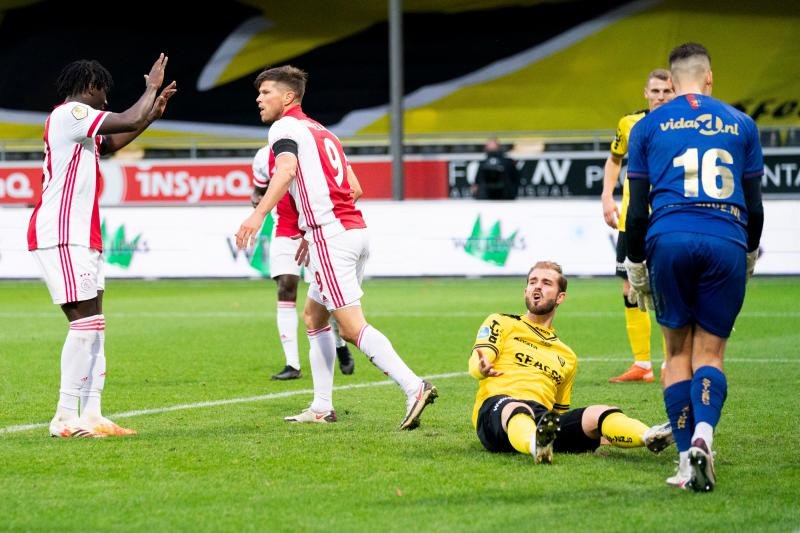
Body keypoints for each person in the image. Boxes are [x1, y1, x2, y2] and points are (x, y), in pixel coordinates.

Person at [236, 65, 437, 429]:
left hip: (332, 238)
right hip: (352, 232)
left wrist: (258, 215)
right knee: (314, 317)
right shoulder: (323, 132)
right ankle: (321, 407)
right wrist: (310, 231)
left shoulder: (283, 128)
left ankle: (414, 386)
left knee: (350, 328)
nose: (259, 99)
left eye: (266, 92)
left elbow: (285, 170)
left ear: (288, 96)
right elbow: (355, 189)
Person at [624, 43, 764, 491]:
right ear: (709, 78)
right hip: (726, 237)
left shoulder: (648, 126)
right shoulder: (741, 123)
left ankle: (686, 460)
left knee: (676, 355)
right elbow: (755, 207)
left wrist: (634, 261)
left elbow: (637, 211)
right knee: (711, 354)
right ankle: (705, 435)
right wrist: (749, 253)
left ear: (671, 79)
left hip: (669, 237)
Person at [27, 55, 177, 438]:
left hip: (84, 235)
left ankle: (91, 414)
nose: (106, 99)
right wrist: (150, 88)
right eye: (104, 91)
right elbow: (126, 117)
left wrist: (150, 117)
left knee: (96, 326)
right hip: (62, 232)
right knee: (85, 324)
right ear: (90, 85)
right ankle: (64, 416)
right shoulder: (71, 113)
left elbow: (111, 142)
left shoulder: (82, 129)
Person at [469, 261, 674, 463]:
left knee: (598, 413)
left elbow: (559, 413)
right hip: (496, 409)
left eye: (546, 283)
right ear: (525, 291)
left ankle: (649, 436)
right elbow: (481, 356)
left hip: (541, 419)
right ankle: (535, 444)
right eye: (533, 282)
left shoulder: (567, 356)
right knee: (517, 408)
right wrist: (481, 367)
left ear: (560, 297)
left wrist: (594, 434)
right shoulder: (502, 322)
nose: (537, 286)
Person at [251, 145, 357, 380]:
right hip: (284, 230)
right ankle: (292, 365)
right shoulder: (263, 156)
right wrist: (257, 202)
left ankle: (339, 344)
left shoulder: (313, 147)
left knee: (325, 297)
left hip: (315, 232)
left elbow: (351, 190)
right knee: (285, 287)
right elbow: (258, 191)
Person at [601, 69, 674, 384]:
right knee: (630, 287)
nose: (660, 97)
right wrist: (607, 196)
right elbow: (614, 158)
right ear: (646, 93)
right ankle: (642, 364)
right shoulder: (629, 123)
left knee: (668, 288)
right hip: (633, 219)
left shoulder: (684, 125)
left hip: (668, 217)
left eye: (667, 91)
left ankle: (671, 363)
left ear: (675, 93)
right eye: (655, 91)